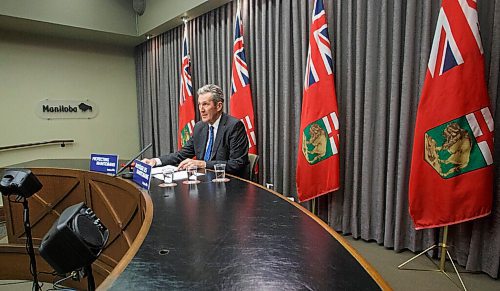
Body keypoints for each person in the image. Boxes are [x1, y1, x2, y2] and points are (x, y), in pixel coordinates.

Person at [142, 84, 250, 178]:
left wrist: (202, 164)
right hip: (203, 182)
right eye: (199, 104)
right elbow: (182, 154)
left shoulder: (234, 126)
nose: (201, 109)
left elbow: (237, 164)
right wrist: (155, 161)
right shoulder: (199, 127)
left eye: (205, 104)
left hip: (227, 184)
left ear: (219, 106)